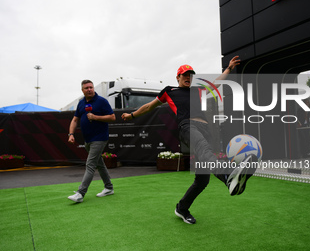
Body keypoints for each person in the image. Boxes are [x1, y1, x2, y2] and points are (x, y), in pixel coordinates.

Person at [121, 56, 256, 224]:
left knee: (202, 180)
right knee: (204, 151)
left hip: (204, 129)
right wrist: (131, 115)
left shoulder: (198, 90)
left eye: (191, 75)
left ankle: (182, 208)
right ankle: (228, 177)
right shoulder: (169, 91)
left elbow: (217, 83)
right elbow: (149, 106)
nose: (188, 77)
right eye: (185, 75)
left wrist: (228, 69)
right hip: (187, 127)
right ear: (178, 77)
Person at [68, 80, 116, 203]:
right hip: (88, 139)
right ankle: (109, 188)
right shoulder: (81, 103)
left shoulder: (102, 101)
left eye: (91, 87)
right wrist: (71, 134)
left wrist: (95, 117)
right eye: (86, 88)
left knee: (90, 165)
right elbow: (74, 120)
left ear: (93, 88)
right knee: (99, 164)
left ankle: (80, 193)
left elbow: (112, 117)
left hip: (100, 138)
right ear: (82, 90)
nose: (89, 89)